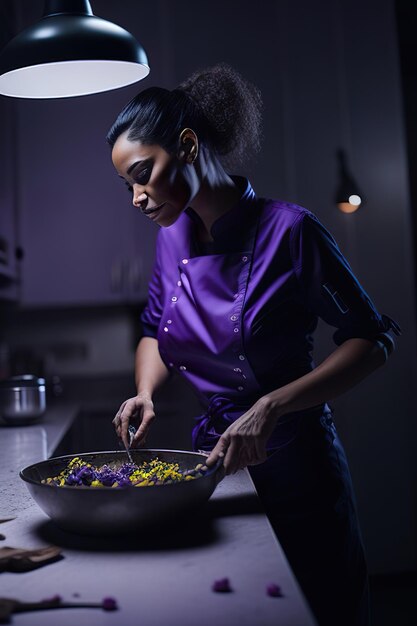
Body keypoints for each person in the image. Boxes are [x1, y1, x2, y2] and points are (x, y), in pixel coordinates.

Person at [106, 64, 400, 626]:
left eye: (144, 174)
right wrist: (144, 390)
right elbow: (152, 328)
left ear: (188, 145)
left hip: (299, 474)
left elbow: (372, 338)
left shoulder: (289, 230)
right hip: (219, 478)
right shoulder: (172, 240)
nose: (138, 198)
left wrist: (271, 405)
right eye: (128, 186)